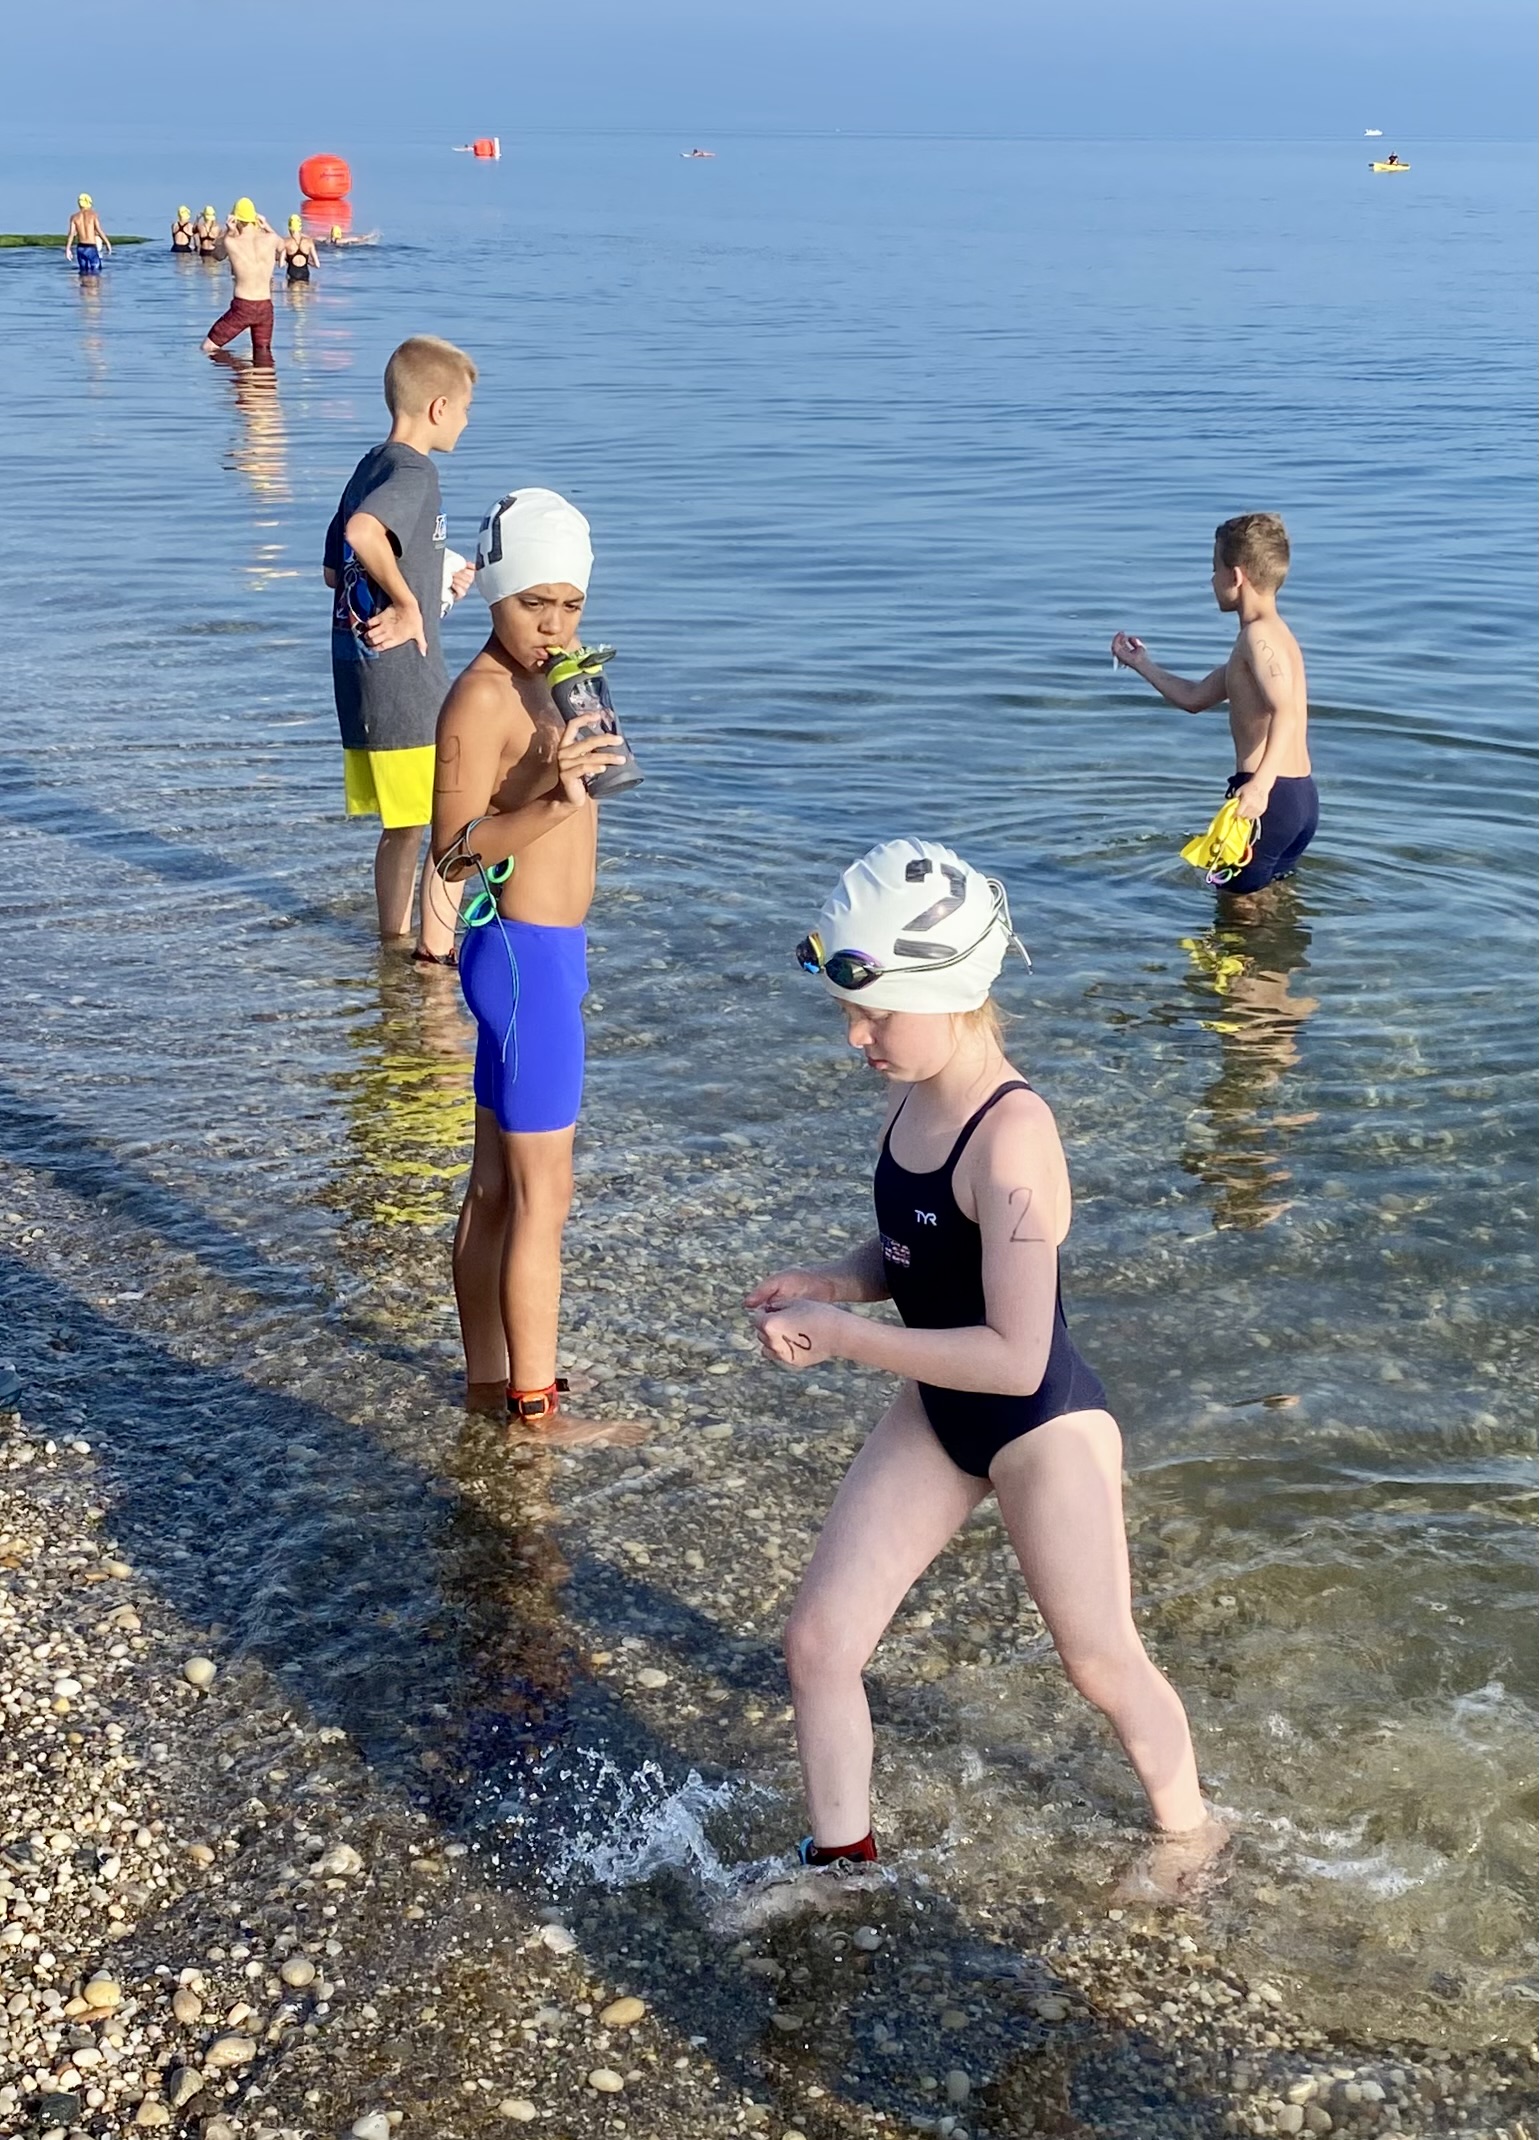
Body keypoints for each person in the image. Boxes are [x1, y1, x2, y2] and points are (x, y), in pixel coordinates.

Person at [747, 839, 1225, 1888]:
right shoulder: (912, 1088)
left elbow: (1015, 1356)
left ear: (952, 992)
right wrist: (834, 1283)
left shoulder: (1014, 1140)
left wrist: (843, 1339)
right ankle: (841, 1865)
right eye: (849, 1013)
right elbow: (917, 1248)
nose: (857, 1036)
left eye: (876, 1014)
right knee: (819, 1643)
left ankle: (1192, 1836)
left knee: (1099, 1662)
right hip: (939, 1409)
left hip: (1038, 1427)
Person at [430, 488, 644, 1444]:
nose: (553, 624)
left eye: (570, 604)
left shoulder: (557, 677)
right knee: (542, 1200)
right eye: (533, 604)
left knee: (493, 1190)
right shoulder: (480, 696)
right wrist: (555, 800)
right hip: (523, 960)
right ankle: (535, 1408)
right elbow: (451, 854)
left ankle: (490, 1380)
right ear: (494, 595)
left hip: (542, 957)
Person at [323, 337, 478, 963]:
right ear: (439, 408)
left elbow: (335, 572)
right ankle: (432, 955)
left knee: (405, 825)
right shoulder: (416, 471)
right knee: (451, 819)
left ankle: (394, 944)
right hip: (406, 683)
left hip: (362, 677)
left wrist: (432, 590)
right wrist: (410, 604)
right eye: (465, 409)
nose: (466, 422)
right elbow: (364, 534)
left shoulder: (370, 465)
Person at [1112, 513, 1316, 898]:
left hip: (1268, 797)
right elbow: (1195, 697)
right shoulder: (1274, 638)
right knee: (1263, 905)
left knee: (1234, 914)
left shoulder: (1258, 638)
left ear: (1236, 577)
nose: (1211, 581)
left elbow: (1285, 711)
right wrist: (1142, 664)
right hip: (1298, 797)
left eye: (1214, 569)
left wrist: (1259, 788)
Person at [201, 199, 285, 366]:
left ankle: (242, 371)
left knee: (208, 348)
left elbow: (217, 255)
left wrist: (228, 231)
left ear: (236, 219)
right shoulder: (272, 239)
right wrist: (267, 226)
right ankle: (258, 380)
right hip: (265, 307)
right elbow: (282, 247)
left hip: (243, 307)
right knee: (263, 354)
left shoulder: (232, 241)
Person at [65, 195, 110, 275]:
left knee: (83, 271)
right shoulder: (93, 215)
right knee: (96, 271)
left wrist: (68, 249)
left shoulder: (74, 217)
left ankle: (83, 283)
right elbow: (99, 230)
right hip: (91, 247)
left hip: (80, 248)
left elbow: (71, 234)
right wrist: (107, 243)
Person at [282, 215, 319, 282]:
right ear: (300, 227)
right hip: (305, 273)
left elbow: (281, 264)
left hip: (292, 273)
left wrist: (287, 259)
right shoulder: (309, 242)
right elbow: (317, 265)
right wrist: (309, 262)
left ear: (289, 227)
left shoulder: (286, 242)